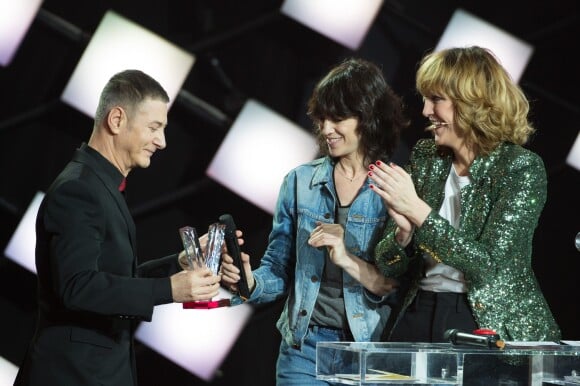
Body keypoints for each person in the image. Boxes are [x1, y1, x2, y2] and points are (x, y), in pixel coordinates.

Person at [14, 69, 223, 386]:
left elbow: (112, 279)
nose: (162, 142)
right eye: (154, 128)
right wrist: (170, 289)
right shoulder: (79, 190)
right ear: (116, 120)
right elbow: (78, 287)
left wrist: (175, 265)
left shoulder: (100, 186)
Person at [368, 46, 561, 383]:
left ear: (471, 103)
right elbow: (388, 266)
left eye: (436, 99)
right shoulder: (427, 157)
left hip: (483, 319)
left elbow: (489, 264)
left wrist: (418, 212)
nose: (426, 110)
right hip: (420, 309)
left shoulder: (520, 168)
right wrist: (402, 235)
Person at [220, 57, 409, 385]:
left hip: (368, 349)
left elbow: (394, 284)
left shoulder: (394, 187)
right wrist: (249, 283)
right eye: (321, 119)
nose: (326, 130)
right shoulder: (298, 182)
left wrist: (345, 258)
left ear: (367, 118)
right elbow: (278, 269)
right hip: (303, 347)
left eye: (337, 119)